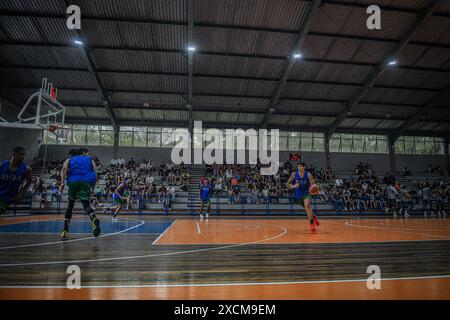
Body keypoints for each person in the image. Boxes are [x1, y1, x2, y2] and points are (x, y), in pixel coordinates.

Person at [59, 148, 101, 239]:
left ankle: (65, 231)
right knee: (86, 205)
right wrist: (95, 184)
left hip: (74, 182)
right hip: (86, 183)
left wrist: (62, 183)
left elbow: (64, 169)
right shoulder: (90, 159)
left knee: (70, 206)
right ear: (82, 153)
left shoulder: (69, 160)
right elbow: (95, 170)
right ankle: (93, 218)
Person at [286, 162, 320, 232]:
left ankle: (311, 224)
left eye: (300, 166)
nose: (299, 168)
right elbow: (287, 183)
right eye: (298, 166)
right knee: (306, 208)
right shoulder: (294, 174)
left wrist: (314, 188)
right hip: (297, 194)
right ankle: (313, 217)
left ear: (304, 167)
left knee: (307, 205)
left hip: (306, 192)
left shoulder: (308, 175)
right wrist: (293, 186)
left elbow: (313, 184)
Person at [0, 146, 33, 216]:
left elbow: (29, 181)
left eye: (24, 155)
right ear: (14, 154)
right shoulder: (2, 165)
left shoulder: (27, 169)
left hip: (6, 198)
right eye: (21, 154)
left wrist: (22, 193)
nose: (23, 157)